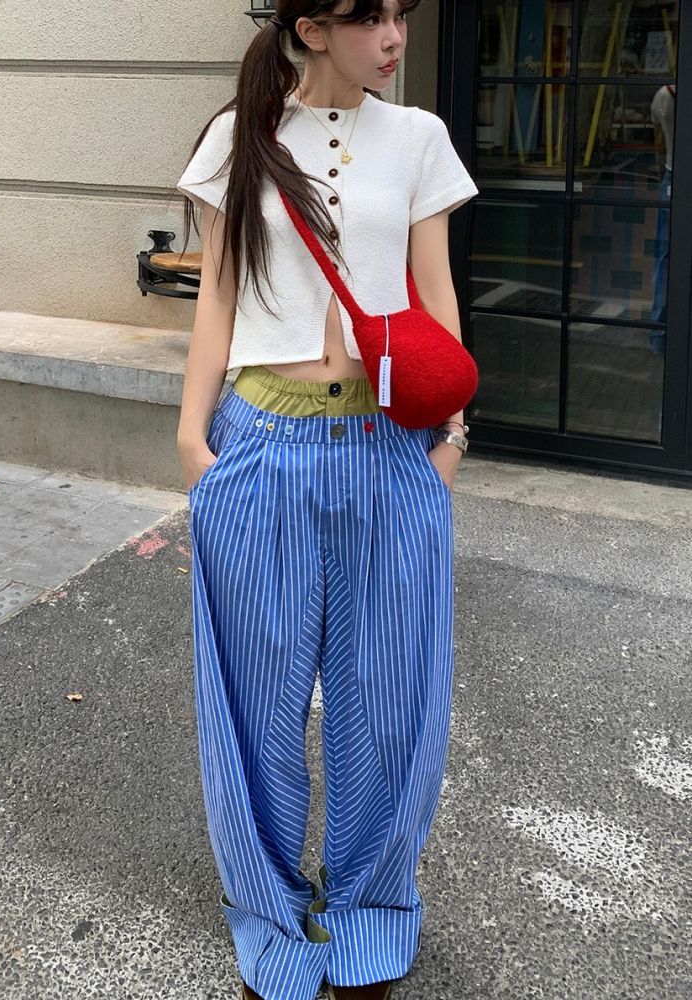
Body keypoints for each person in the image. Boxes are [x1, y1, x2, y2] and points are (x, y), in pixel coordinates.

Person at [175, 3, 479, 999]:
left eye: (401, 15)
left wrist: (452, 436)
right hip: (262, 443)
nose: (394, 37)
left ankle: (370, 913)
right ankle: (270, 919)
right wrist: (192, 439)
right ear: (311, 27)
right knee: (255, 710)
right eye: (369, 18)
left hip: (390, 449)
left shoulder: (419, 136)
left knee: (388, 704)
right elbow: (219, 295)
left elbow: (435, 300)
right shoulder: (241, 139)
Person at [649, 82, 675, 351]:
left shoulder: (663, 95)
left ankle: (659, 336)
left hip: (671, 175)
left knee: (664, 257)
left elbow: (658, 142)